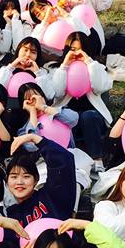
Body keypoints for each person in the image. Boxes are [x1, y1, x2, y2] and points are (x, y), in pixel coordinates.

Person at [51, 34, 112, 170]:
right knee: (69, 116)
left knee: (88, 116)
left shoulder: (97, 67)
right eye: (73, 49)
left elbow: (100, 87)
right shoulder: (57, 69)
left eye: (81, 50)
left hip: (93, 118)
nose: (77, 54)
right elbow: (57, 92)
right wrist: (65, 66)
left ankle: (97, 160)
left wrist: (89, 62)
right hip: (69, 115)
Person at [5, 133, 77, 226]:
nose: (19, 182)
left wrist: (34, 138)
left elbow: (64, 161)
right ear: (7, 181)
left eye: (26, 176)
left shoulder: (51, 196)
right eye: (14, 177)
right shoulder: (8, 215)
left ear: (36, 179)